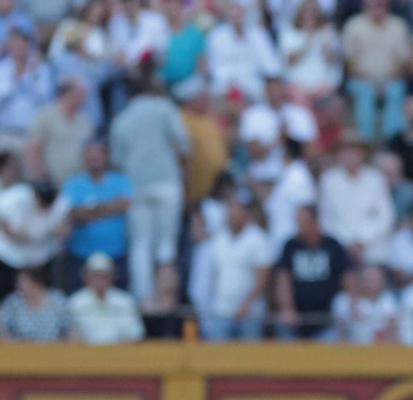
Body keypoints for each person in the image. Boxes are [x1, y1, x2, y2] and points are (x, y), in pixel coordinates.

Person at [108, 72, 190, 302]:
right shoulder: (163, 108)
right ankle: (166, 297)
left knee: (141, 245)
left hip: (136, 186)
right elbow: (184, 145)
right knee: (166, 244)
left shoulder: (120, 119)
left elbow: (117, 161)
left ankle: (144, 298)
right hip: (166, 182)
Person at [191, 196, 273, 341]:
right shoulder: (219, 238)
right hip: (221, 310)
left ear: (244, 212)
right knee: (218, 359)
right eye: (228, 210)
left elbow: (263, 278)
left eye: (234, 210)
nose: (230, 214)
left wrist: (246, 304)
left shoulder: (258, 238)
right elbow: (213, 274)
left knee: (250, 360)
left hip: (250, 312)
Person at [61, 140, 132, 292]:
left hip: (115, 252)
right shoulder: (74, 182)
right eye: (89, 156)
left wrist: (90, 210)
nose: (93, 160)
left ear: (106, 157)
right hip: (81, 254)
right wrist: (109, 207)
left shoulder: (120, 180)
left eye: (97, 156)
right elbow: (74, 213)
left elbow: (124, 204)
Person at [0, 180, 70, 304]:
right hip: (8, 256)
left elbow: (65, 228)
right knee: (3, 296)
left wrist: (56, 232)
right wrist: (20, 235)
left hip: (39, 259)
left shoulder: (60, 203)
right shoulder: (15, 197)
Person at [276, 204, 352, 338]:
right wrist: (287, 308)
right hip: (295, 321)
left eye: (302, 223)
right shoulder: (291, 246)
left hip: (328, 321)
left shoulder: (332, 245)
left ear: (315, 222)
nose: (298, 227)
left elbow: (347, 276)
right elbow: (283, 279)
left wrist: (353, 303)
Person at [318, 131, 395, 258]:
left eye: (355, 150)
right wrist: (347, 242)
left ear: (363, 153)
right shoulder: (328, 180)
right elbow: (325, 219)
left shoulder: (376, 179)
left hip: (373, 250)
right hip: (339, 250)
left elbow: (386, 217)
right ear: (338, 154)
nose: (350, 155)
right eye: (346, 150)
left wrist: (361, 241)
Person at [341, 0, 411, 141]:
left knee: (395, 91)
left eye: (382, 5)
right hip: (360, 80)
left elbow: (404, 62)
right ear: (365, 6)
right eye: (374, 5)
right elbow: (349, 63)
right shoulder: (354, 25)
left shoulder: (398, 26)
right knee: (366, 92)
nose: (378, 9)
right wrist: (372, 81)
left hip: (391, 79)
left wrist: (385, 80)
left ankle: (392, 141)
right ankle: (366, 141)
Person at [0, 28, 54, 156]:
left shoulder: (41, 70)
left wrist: (32, 75)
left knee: (30, 175)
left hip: (32, 135)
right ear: (9, 47)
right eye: (15, 45)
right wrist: (15, 78)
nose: (19, 50)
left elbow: (45, 98)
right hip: (5, 133)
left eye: (22, 45)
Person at [25, 76, 94, 185]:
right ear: (68, 94)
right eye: (81, 94)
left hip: (79, 184)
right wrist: (41, 177)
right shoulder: (45, 116)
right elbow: (33, 150)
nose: (85, 99)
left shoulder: (84, 120)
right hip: (52, 183)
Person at [67, 253, 144, 344]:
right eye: (95, 276)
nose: (99, 280)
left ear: (111, 277)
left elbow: (137, 333)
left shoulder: (125, 301)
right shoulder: (76, 302)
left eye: (103, 276)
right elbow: (72, 335)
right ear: (87, 277)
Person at [330, 264, 398, 343]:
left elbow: (393, 331)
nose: (372, 284)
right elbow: (340, 330)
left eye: (376, 280)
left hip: (379, 349)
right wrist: (353, 305)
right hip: (349, 349)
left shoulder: (388, 299)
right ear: (361, 280)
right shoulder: (342, 300)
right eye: (370, 280)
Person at [0, 267, 70, 341]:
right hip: (21, 350)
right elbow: (2, 327)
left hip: (55, 349)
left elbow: (71, 328)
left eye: (24, 283)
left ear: (37, 283)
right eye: (18, 282)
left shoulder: (58, 300)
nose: (19, 286)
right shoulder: (13, 302)